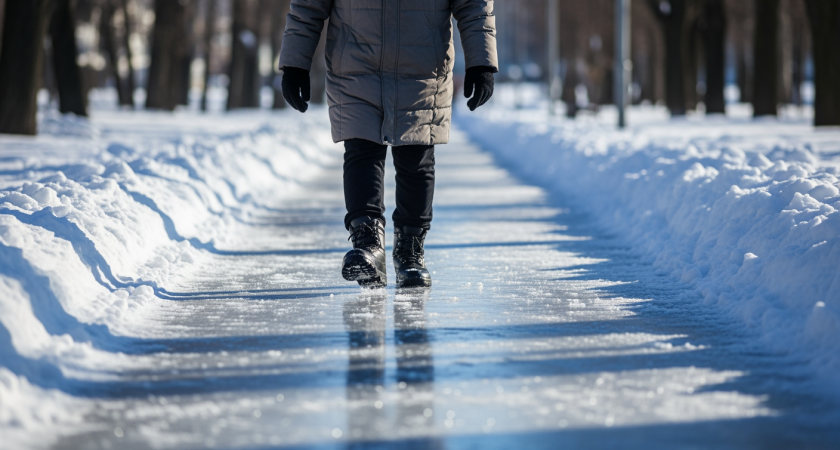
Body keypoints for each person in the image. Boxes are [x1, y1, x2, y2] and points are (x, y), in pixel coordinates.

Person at [279, 0, 497, 288]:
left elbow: (473, 4)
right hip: (356, 63)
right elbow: (308, 6)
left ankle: (410, 249)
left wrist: (481, 61)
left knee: (416, 157)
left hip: (422, 68)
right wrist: (295, 62)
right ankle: (367, 242)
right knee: (361, 149)